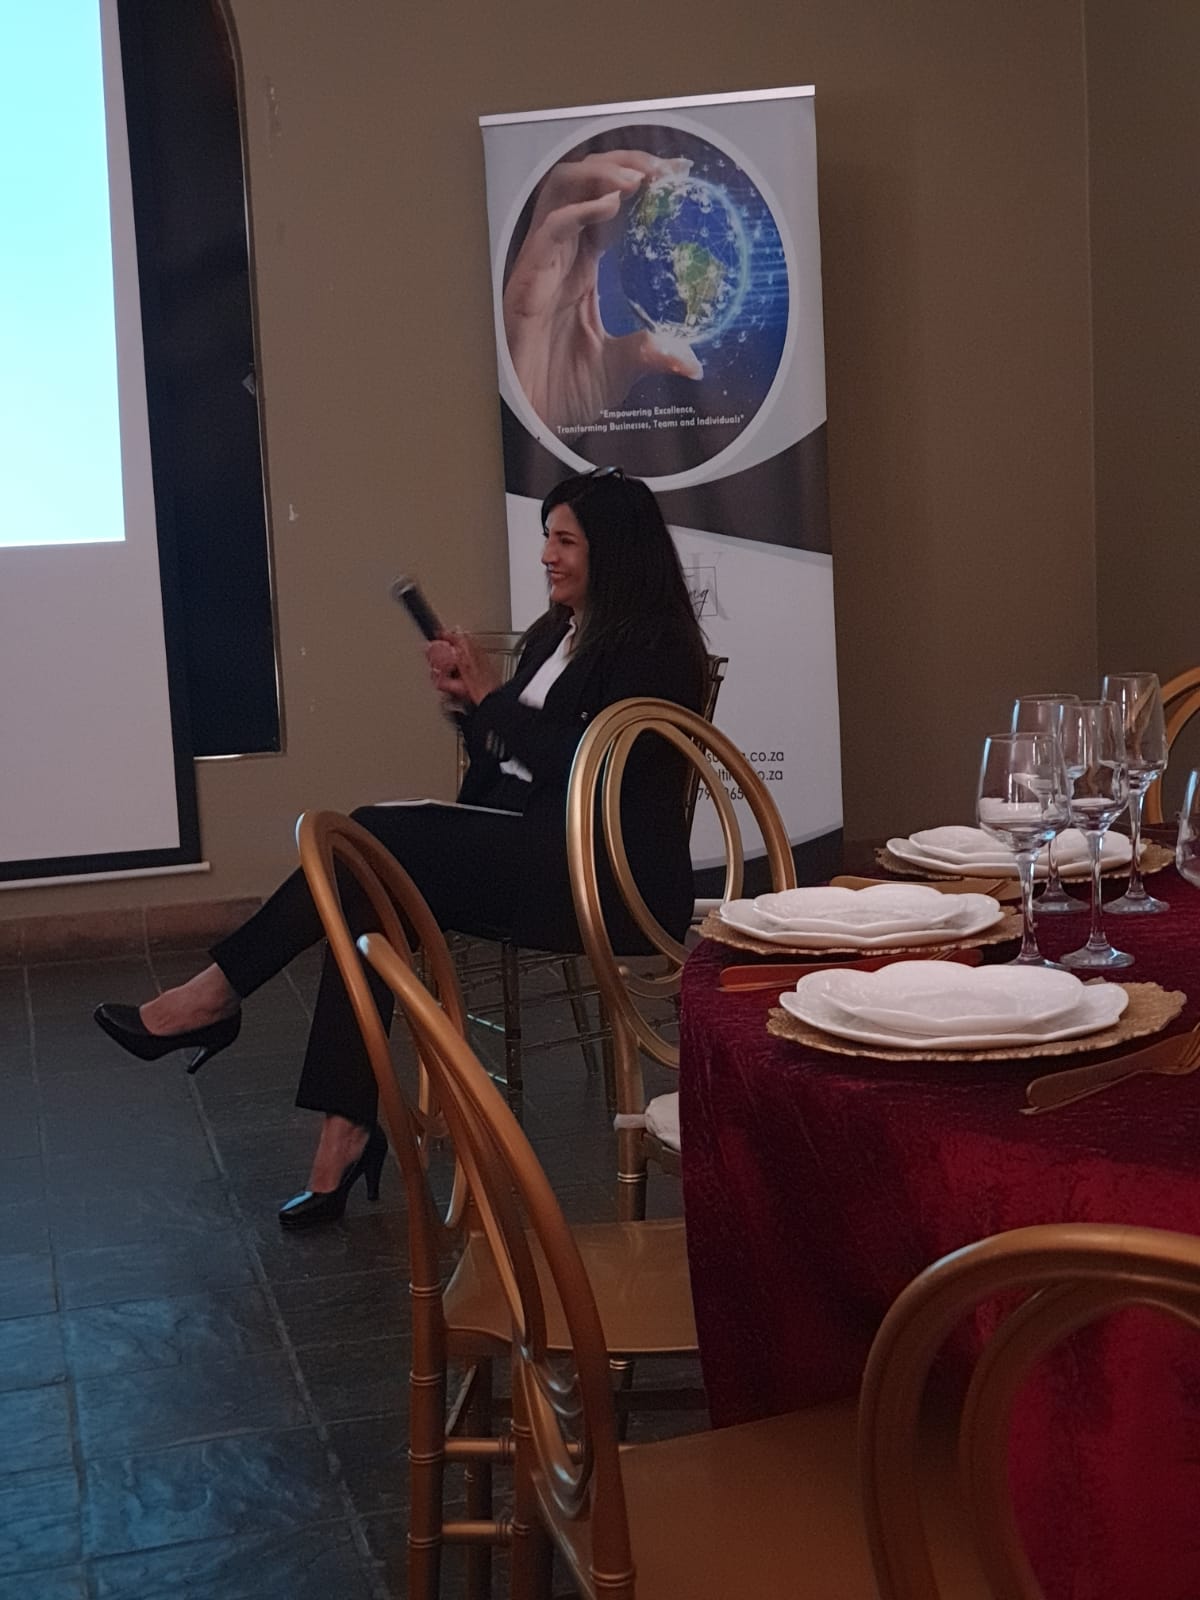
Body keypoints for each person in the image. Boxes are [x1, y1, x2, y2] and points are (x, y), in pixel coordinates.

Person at [94, 468, 708, 1227]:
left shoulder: (658, 650)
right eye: (546, 537)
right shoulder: (557, 633)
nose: (546, 555)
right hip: (533, 852)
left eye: (565, 541)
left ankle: (218, 1000)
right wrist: (471, 708)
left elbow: (585, 766)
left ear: (613, 550)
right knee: (363, 883)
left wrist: (490, 698)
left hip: (606, 880)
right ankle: (341, 1133)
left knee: (365, 839)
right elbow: (510, 766)